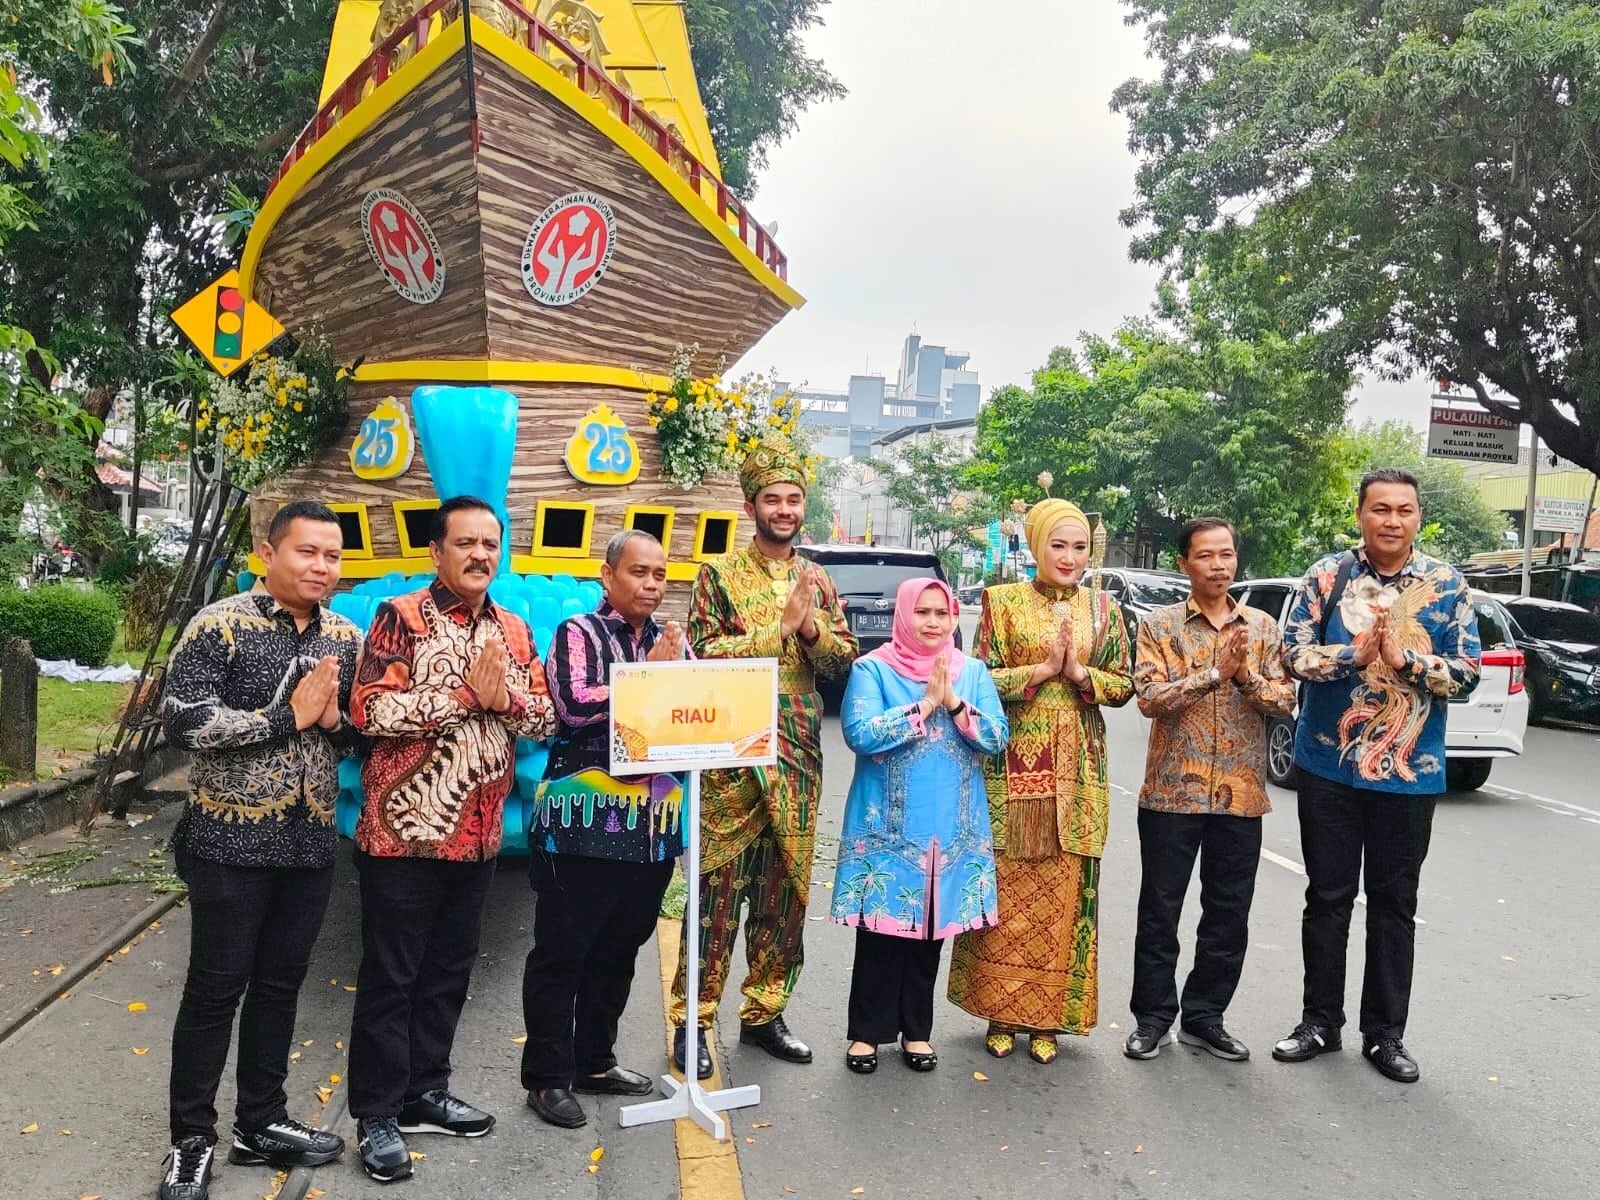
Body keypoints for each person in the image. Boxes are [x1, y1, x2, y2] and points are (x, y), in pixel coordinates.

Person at [346, 495, 557, 1181]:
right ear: (437, 552)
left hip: (479, 837)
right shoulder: (399, 617)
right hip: (403, 837)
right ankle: (377, 1114)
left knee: (446, 975)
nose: (480, 556)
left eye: (490, 545)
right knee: (392, 977)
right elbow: (370, 707)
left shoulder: (517, 630)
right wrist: (466, 697)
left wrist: (506, 701)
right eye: (465, 543)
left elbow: (545, 720)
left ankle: (423, 1091)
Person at [158, 500, 360, 1200]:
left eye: (332, 556)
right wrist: (286, 717)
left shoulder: (343, 633)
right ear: (268, 555)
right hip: (225, 843)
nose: (321, 567)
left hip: (308, 843)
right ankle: (190, 1140)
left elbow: (345, 735)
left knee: (280, 986)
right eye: (307, 552)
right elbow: (182, 722)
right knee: (215, 990)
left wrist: (337, 722)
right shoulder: (220, 625)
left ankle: (261, 1122)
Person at [1272, 469, 1479, 1083]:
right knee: (1327, 898)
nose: (1393, 520)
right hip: (1326, 767)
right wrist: (1352, 657)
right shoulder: (1327, 576)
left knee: (1395, 904)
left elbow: (1466, 673)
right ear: (1360, 514)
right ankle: (1319, 1023)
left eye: (1405, 510)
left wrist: (1405, 659)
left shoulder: (1447, 585)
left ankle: (1385, 1035)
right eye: (1381, 509)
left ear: (1419, 517)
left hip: (1410, 774)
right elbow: (1293, 653)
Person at [668, 438, 858, 1077]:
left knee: (786, 894)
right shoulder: (718, 575)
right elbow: (700, 654)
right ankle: (691, 1020)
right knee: (718, 893)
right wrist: (773, 631)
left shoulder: (819, 579)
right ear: (751, 505)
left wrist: (809, 627)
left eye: (793, 499)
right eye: (772, 499)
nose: (783, 508)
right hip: (731, 753)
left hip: (800, 752)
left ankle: (764, 1013)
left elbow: (841, 665)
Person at [947, 498, 1133, 1065]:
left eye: (1079, 547)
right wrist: (1041, 672)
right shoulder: (1000, 604)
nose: (1070, 557)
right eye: (1059, 545)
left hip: (1078, 771)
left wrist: (1079, 674)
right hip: (1013, 765)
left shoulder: (1106, 609)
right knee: (1007, 888)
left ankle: (1047, 1020)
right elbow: (977, 678)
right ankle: (1001, 1013)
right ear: (1035, 547)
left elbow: (1124, 684)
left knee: (1064, 894)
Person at [521, 530, 688, 1129]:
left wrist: (677, 682)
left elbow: (696, 708)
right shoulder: (578, 633)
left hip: (652, 826)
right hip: (583, 824)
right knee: (563, 952)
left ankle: (594, 1060)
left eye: (659, 574)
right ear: (607, 576)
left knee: (620, 950)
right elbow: (574, 705)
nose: (650, 584)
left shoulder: (673, 640)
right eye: (639, 572)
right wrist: (652, 679)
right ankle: (545, 1077)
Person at [1127, 517, 1295, 1063]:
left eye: (1226, 555)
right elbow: (1150, 699)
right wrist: (1213, 673)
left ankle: (1205, 1017)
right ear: (1185, 564)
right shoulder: (1158, 626)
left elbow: (1284, 699)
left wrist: (1244, 676)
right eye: (1206, 556)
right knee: (1161, 909)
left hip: (1241, 794)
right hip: (1172, 793)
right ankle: (1152, 1019)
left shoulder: (1264, 628)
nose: (1219, 565)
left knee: (1228, 911)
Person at [831, 578, 1008, 1074]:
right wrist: (924, 705)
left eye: (942, 613)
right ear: (905, 616)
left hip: (951, 825)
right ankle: (866, 1034)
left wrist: (954, 703)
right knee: (882, 931)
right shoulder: (873, 668)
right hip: (888, 823)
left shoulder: (971, 672)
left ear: (955, 618)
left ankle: (917, 1031)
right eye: (923, 612)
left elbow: (996, 736)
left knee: (930, 928)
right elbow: (860, 733)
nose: (933, 623)